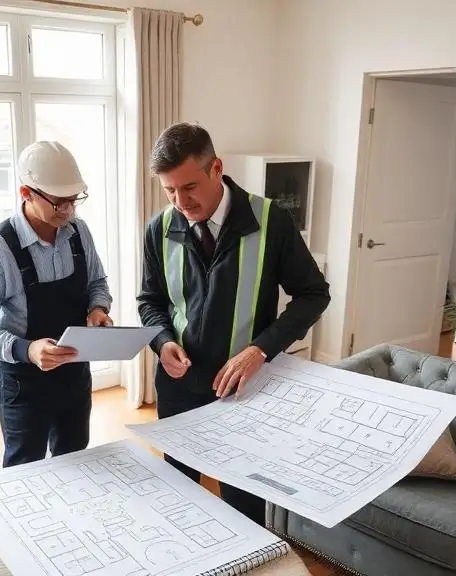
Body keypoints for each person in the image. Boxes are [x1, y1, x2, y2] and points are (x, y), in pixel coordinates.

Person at [137, 122, 331, 525]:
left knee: (245, 509)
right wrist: (161, 341)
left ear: (216, 168)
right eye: (169, 190)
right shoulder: (158, 229)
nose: (180, 201)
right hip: (178, 392)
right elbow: (151, 302)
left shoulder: (271, 222)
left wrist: (260, 350)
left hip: (246, 392)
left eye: (188, 187)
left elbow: (314, 294)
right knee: (180, 504)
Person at [0, 140, 113, 468]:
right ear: (26, 193)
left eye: (74, 201)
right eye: (59, 203)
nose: (68, 211)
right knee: (24, 467)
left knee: (74, 460)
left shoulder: (78, 232)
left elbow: (97, 283)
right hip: (23, 384)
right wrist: (27, 350)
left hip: (74, 373)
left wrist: (97, 309)